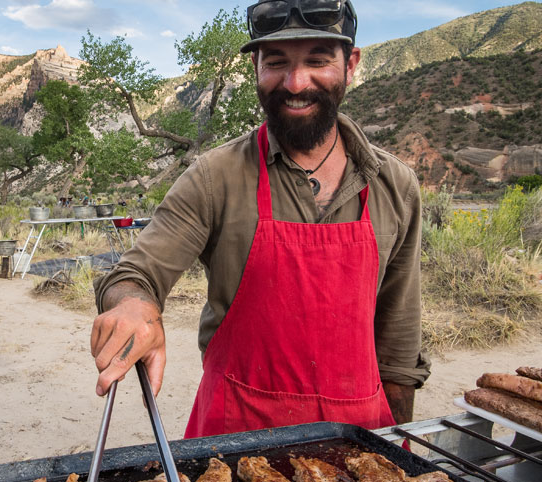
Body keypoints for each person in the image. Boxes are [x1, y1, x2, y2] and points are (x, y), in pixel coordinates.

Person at [90, 0, 430, 438]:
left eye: (317, 60)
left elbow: (399, 349)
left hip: (358, 442)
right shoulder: (216, 177)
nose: (295, 82)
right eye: (276, 63)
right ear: (256, 67)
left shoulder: (395, 185)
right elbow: (135, 274)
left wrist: (396, 450)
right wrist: (134, 305)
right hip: (232, 443)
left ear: (351, 65)